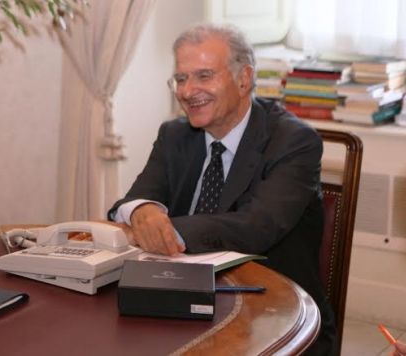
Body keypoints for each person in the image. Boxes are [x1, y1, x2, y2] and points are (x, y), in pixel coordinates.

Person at [108, 23, 336, 354]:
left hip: (274, 314)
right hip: (181, 301)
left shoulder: (293, 141)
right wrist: (143, 211)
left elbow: (256, 227)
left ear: (244, 79)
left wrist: (162, 230)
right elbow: (135, 200)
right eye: (181, 79)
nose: (188, 91)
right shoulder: (175, 135)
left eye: (204, 76)